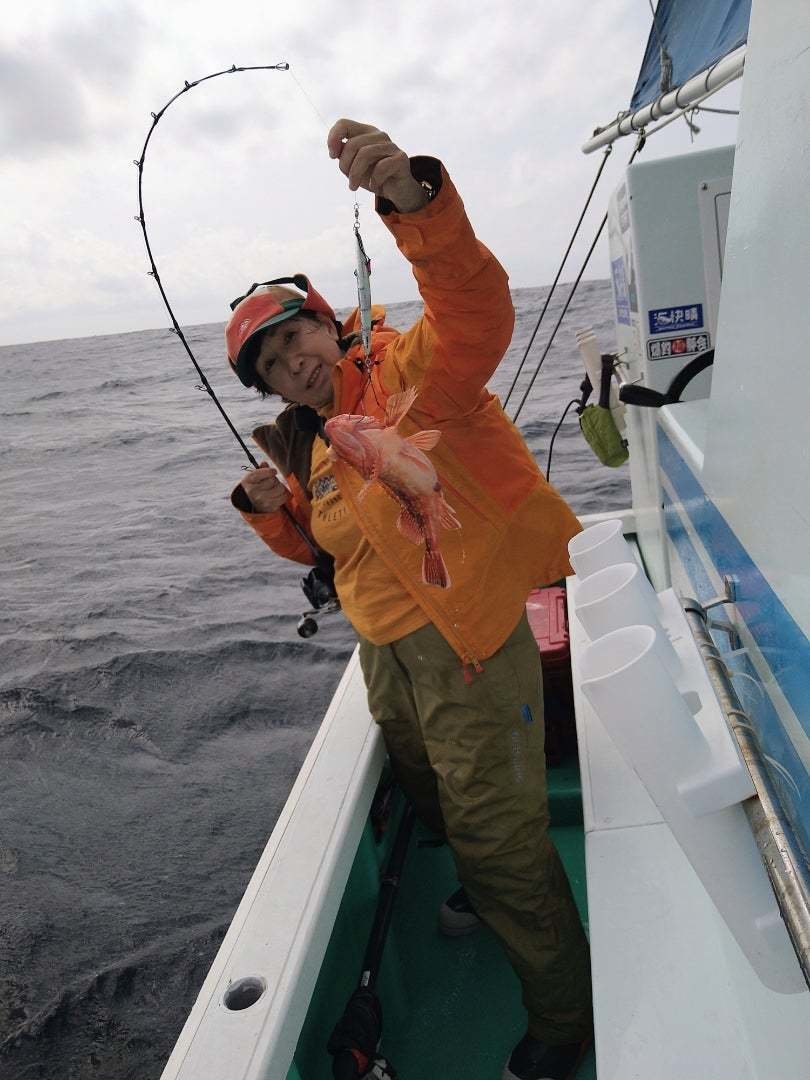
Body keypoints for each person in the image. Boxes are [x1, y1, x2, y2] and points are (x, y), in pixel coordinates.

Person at [226, 119, 592, 1080]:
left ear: (329, 321)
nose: (293, 366)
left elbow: (473, 313)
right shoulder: (313, 442)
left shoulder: (405, 378)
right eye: (272, 367)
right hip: (386, 660)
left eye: (296, 339)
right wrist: (272, 516)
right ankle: (478, 883)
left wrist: (414, 203)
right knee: (433, 796)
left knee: (498, 835)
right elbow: (326, 547)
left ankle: (565, 1017)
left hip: (468, 644)